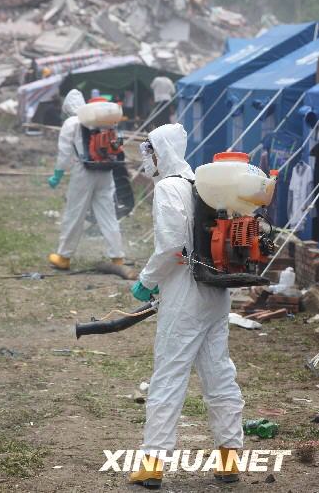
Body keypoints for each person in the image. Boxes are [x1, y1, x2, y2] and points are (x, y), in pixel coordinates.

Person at [129, 123, 244, 488]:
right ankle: (229, 458)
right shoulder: (205, 185)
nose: (148, 161)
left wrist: (146, 282)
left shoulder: (168, 188)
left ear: (160, 152)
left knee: (168, 377)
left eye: (150, 153)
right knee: (219, 374)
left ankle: (152, 464)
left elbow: (171, 247)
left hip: (184, 297)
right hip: (216, 292)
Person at [47, 89, 125, 270]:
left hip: (84, 171)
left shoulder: (72, 122)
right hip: (106, 171)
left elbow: (65, 153)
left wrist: (57, 174)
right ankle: (117, 256)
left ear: (68, 107)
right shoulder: (108, 121)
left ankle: (63, 257)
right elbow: (118, 144)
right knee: (108, 214)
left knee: (74, 213)